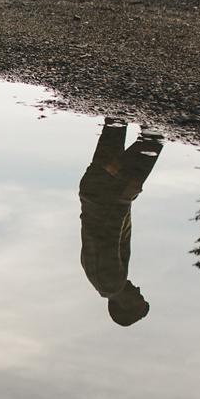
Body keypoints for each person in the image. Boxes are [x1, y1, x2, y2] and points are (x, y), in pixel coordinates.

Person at [78, 118, 163, 326]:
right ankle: (121, 92)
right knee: (115, 128)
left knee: (152, 140)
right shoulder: (97, 280)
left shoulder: (111, 282)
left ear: (125, 305)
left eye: (138, 299)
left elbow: (110, 233)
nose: (139, 291)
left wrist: (124, 197)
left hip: (110, 193)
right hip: (94, 190)